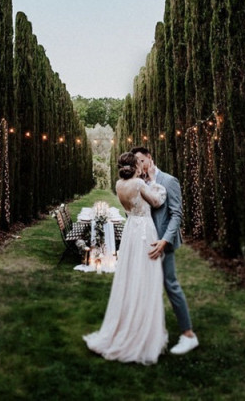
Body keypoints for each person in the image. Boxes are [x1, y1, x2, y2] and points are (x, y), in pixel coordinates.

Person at [83, 152, 169, 364]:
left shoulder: (119, 184)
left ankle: (129, 321)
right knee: (145, 275)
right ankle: (140, 331)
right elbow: (156, 202)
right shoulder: (139, 183)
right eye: (139, 163)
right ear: (135, 166)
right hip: (144, 230)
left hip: (131, 229)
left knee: (131, 274)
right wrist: (156, 184)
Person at [131, 146, 199, 355]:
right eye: (136, 162)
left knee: (170, 284)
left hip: (162, 243)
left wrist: (164, 241)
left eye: (141, 161)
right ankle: (146, 332)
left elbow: (176, 214)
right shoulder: (138, 182)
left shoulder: (169, 181)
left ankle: (188, 335)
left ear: (150, 158)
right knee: (144, 287)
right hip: (145, 243)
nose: (139, 165)